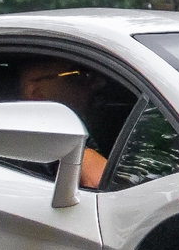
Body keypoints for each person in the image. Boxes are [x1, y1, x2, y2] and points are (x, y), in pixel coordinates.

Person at [15, 58, 110, 189]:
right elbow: (105, 184)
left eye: (92, 75)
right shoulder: (55, 145)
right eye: (77, 76)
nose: (99, 84)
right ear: (35, 93)